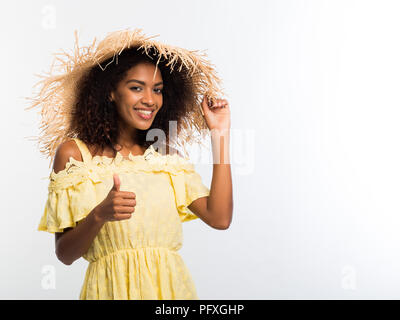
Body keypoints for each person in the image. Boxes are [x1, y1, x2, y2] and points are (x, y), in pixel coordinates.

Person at [28, 28, 233, 300]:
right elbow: (65, 254)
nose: (150, 99)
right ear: (111, 92)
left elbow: (219, 218)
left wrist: (219, 134)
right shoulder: (75, 156)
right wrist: (99, 214)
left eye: (157, 90)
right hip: (109, 291)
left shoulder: (165, 158)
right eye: (136, 87)